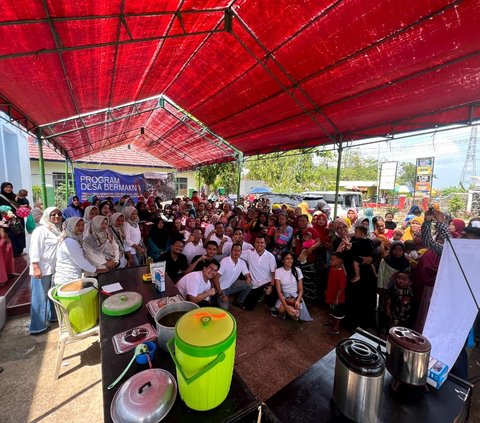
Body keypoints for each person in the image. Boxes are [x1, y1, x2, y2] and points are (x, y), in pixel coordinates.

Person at [28, 207, 62, 334]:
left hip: (53, 268)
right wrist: (36, 267)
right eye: (53, 214)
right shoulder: (40, 230)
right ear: (47, 216)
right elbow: (34, 249)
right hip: (41, 269)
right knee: (39, 297)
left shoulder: (55, 229)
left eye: (59, 214)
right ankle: (37, 326)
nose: (56, 216)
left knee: (52, 295)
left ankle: (53, 317)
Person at [54, 217, 106, 285]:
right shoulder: (70, 242)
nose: (81, 227)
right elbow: (81, 262)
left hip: (70, 278)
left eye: (82, 225)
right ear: (71, 226)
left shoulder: (74, 239)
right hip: (67, 279)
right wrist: (97, 270)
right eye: (77, 225)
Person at [241, 235, 277, 311]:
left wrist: (271, 286)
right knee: (248, 307)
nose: (259, 244)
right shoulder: (249, 253)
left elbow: (274, 274)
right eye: (257, 242)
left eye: (262, 242)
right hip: (254, 284)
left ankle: (270, 304)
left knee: (270, 294)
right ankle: (260, 296)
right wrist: (246, 274)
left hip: (266, 282)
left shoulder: (270, 256)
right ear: (254, 243)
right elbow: (236, 253)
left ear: (265, 244)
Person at [274, 252, 312, 321]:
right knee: (281, 309)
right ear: (283, 260)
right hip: (284, 296)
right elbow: (279, 292)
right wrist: (287, 307)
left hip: (296, 296)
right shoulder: (278, 271)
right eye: (287, 258)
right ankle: (285, 312)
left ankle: (291, 311)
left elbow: (301, 289)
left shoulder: (297, 270)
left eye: (291, 258)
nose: (290, 260)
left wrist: (298, 300)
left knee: (295, 317)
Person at [213, 243, 252, 310]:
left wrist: (248, 277)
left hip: (232, 285)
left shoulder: (242, 262)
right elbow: (216, 278)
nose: (236, 252)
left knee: (249, 285)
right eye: (234, 250)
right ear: (231, 251)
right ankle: (216, 298)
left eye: (238, 251)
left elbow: (246, 274)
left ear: (241, 252)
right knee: (225, 308)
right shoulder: (224, 261)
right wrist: (221, 294)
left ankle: (238, 301)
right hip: (221, 289)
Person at [323, 252, 347, 335]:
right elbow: (329, 281)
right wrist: (327, 290)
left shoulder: (341, 274)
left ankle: (336, 328)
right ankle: (331, 321)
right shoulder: (332, 269)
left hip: (338, 298)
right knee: (332, 309)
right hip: (331, 295)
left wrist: (337, 298)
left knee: (338, 313)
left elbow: (341, 288)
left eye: (332, 260)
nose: (330, 261)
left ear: (339, 261)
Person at [0, 182, 26, 256]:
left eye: (10, 187)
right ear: (3, 188)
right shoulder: (0, 197)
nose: (9, 189)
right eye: (7, 187)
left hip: (18, 218)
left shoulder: (15, 196)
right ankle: (13, 252)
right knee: (12, 235)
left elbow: (23, 202)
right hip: (8, 219)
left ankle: (20, 250)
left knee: (20, 233)